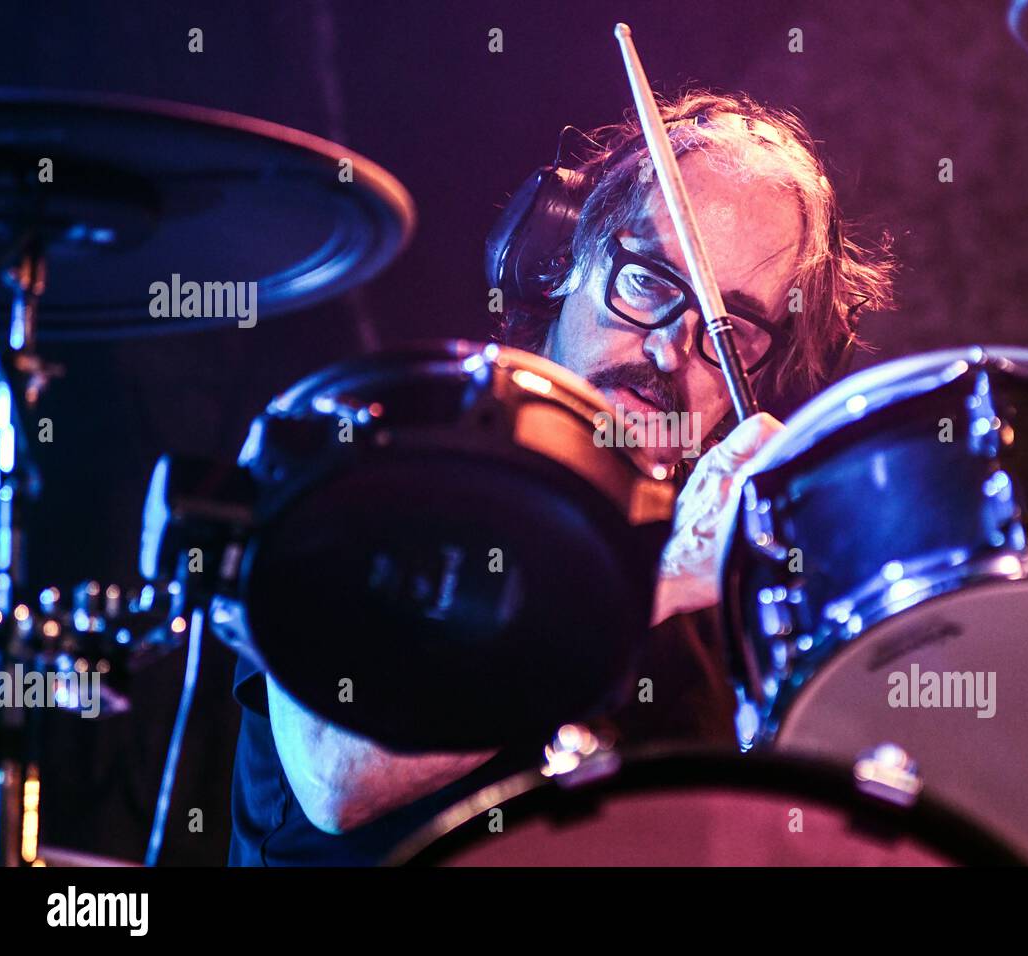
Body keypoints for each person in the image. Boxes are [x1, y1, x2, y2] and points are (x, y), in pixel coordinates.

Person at [228, 89, 894, 865]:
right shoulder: (376, 448)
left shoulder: (740, 570)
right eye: (647, 280)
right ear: (562, 258)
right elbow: (339, 779)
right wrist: (660, 579)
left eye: (730, 330)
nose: (669, 350)